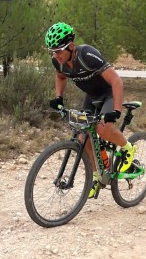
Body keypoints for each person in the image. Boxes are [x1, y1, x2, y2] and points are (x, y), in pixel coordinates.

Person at [45, 22, 136, 198]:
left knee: (103, 129)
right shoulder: (59, 62)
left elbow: (116, 81)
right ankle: (98, 177)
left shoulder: (86, 54)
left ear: (71, 46)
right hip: (92, 96)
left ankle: (127, 148)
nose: (55, 55)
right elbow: (60, 76)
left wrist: (116, 110)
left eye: (58, 50)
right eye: (52, 51)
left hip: (108, 93)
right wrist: (59, 98)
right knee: (83, 137)